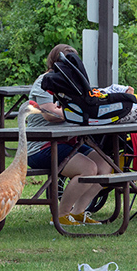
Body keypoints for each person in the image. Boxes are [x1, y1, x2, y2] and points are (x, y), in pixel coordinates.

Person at [27, 44, 113, 226]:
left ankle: (78, 212)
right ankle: (61, 215)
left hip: (69, 143)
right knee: (88, 168)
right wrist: (75, 112)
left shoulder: (75, 83)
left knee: (105, 165)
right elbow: (49, 114)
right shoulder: (45, 81)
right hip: (41, 146)